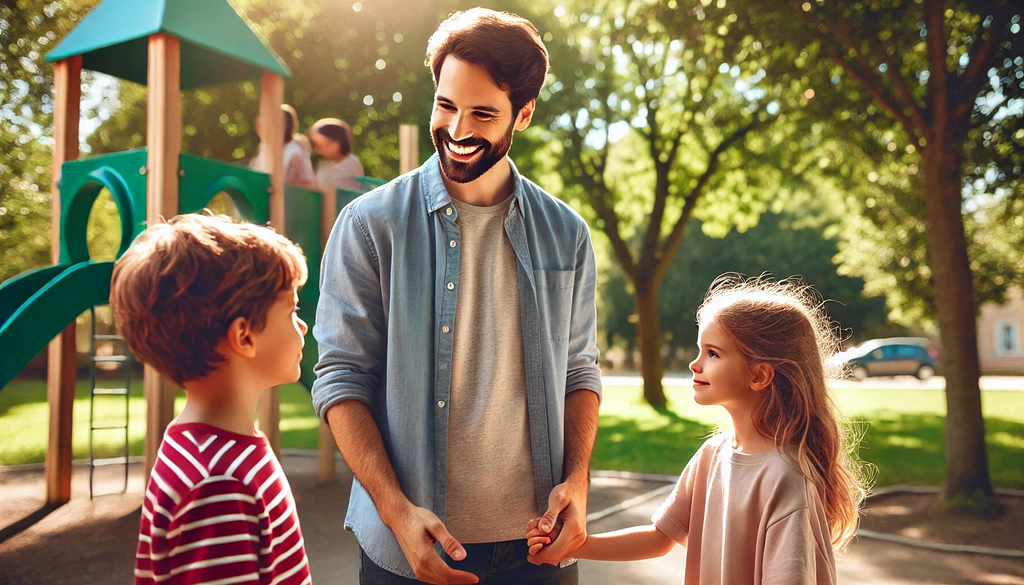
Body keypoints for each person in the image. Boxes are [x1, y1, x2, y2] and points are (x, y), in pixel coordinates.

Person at [311, 7, 601, 585]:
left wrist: (578, 480)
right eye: (446, 105)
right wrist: (395, 512)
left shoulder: (567, 233)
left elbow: (579, 371)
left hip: (538, 552)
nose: (459, 130)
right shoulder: (369, 226)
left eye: (483, 113)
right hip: (407, 547)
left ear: (523, 114)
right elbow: (341, 378)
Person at [528, 275, 870, 584]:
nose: (695, 363)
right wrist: (573, 545)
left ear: (759, 375)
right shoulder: (712, 455)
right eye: (699, 350)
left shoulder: (786, 478)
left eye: (712, 353)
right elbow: (659, 538)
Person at [110, 214, 313, 585]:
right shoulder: (218, 483)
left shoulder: (204, 449)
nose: (303, 326)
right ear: (244, 337)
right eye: (292, 311)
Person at [251, 104, 316, 188]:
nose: (259, 130)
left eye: (263, 126)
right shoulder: (264, 148)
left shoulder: (295, 153)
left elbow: (305, 184)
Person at [310, 117, 366, 193]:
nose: (317, 150)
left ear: (336, 144)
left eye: (320, 146)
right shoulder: (324, 163)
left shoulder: (350, 163)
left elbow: (330, 190)